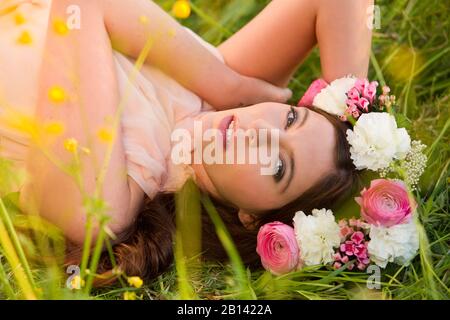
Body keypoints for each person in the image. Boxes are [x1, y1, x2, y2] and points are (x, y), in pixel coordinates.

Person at [0, 0, 373, 280]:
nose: (261, 130)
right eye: (292, 117)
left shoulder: (104, 208)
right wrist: (357, 125)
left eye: (278, 166)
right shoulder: (222, 93)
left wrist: (220, 80)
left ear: (252, 219)